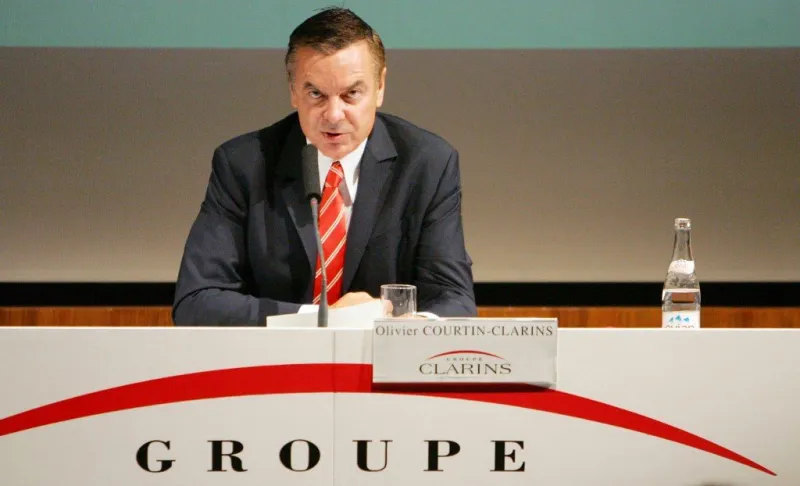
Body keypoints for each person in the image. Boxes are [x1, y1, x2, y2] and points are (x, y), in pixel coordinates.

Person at [172, 7, 476, 325]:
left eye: (351, 94)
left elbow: (454, 301)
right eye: (316, 94)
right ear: (293, 90)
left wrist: (395, 325)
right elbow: (196, 301)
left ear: (380, 87)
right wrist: (322, 320)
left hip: (380, 355)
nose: (333, 115)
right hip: (273, 355)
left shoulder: (427, 163)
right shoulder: (243, 165)